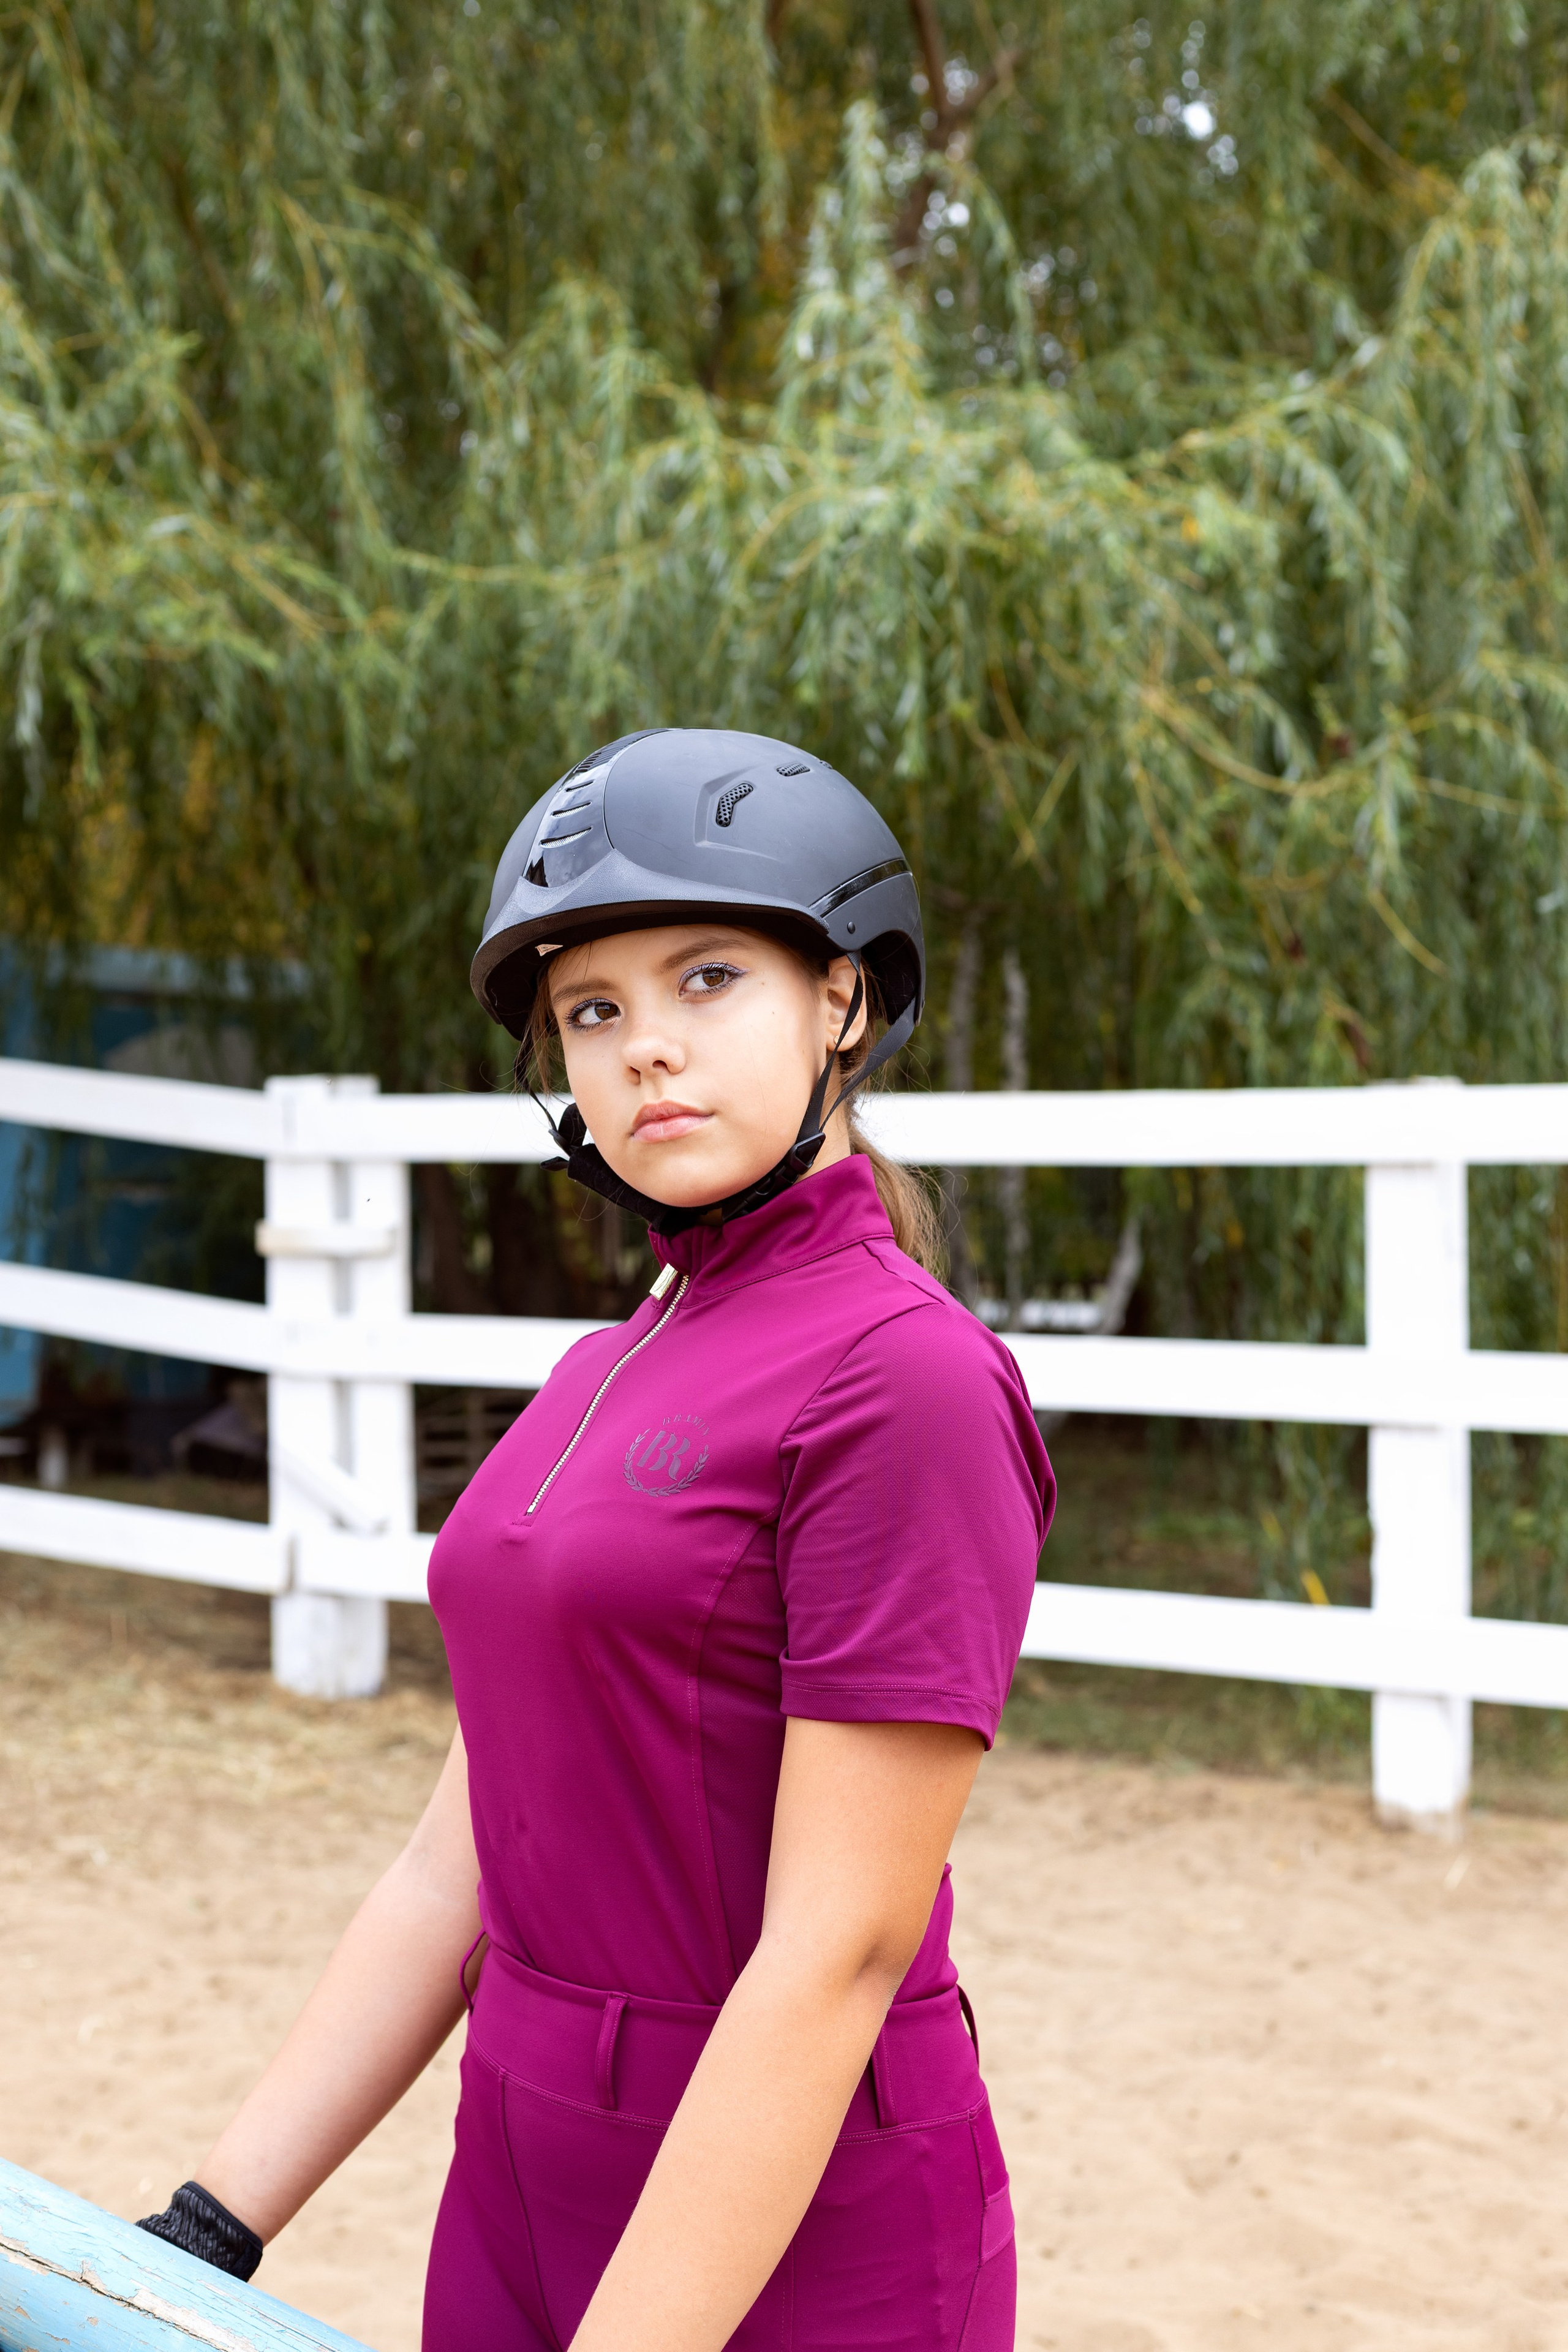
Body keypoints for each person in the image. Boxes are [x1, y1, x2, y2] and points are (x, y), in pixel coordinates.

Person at [138, 728, 1055, 2351]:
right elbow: (458, 1858)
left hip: (792, 2194)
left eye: (706, 980)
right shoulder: (599, 1367)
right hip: (522, 2148)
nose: (642, 1053)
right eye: (594, 1011)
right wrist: (215, 2221)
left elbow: (839, 1951)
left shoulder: (903, 1380)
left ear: (840, 1000)